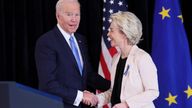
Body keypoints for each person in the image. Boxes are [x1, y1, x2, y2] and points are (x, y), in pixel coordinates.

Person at [35, 0, 110, 107]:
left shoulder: (81, 40)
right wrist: (81, 96)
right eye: (69, 14)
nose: (74, 19)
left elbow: (88, 74)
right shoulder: (46, 42)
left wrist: (115, 86)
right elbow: (48, 84)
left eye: (77, 14)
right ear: (58, 16)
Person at [96, 11, 159, 108]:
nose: (108, 34)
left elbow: (153, 91)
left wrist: (127, 104)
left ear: (124, 33)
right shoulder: (116, 58)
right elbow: (116, 91)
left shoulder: (142, 58)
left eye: (112, 30)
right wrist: (97, 99)